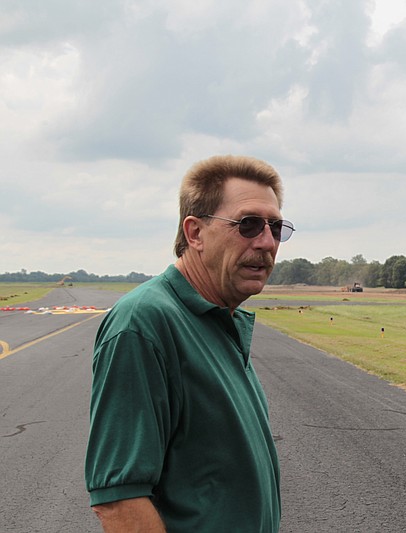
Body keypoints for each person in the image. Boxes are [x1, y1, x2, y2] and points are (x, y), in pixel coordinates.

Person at [85, 155, 294, 532]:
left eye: (276, 228)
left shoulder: (219, 317)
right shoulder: (144, 324)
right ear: (195, 233)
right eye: (248, 225)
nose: (266, 242)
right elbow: (119, 499)